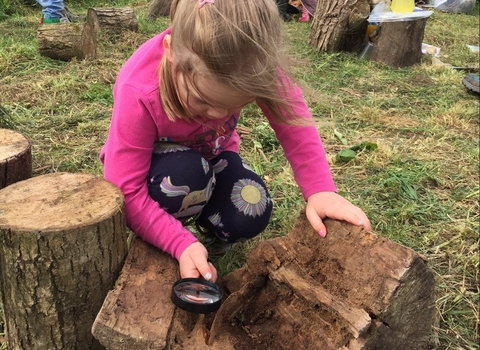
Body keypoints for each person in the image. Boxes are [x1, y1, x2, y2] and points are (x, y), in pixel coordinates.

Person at [100, 0, 371, 283]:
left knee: (250, 209)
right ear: (170, 55)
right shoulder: (140, 90)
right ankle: (165, 229)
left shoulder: (253, 62)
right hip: (158, 175)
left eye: (233, 106)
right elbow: (125, 189)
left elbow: (294, 125)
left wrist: (321, 190)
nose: (216, 115)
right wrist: (178, 243)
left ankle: (207, 229)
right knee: (185, 177)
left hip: (212, 157)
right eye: (202, 101)